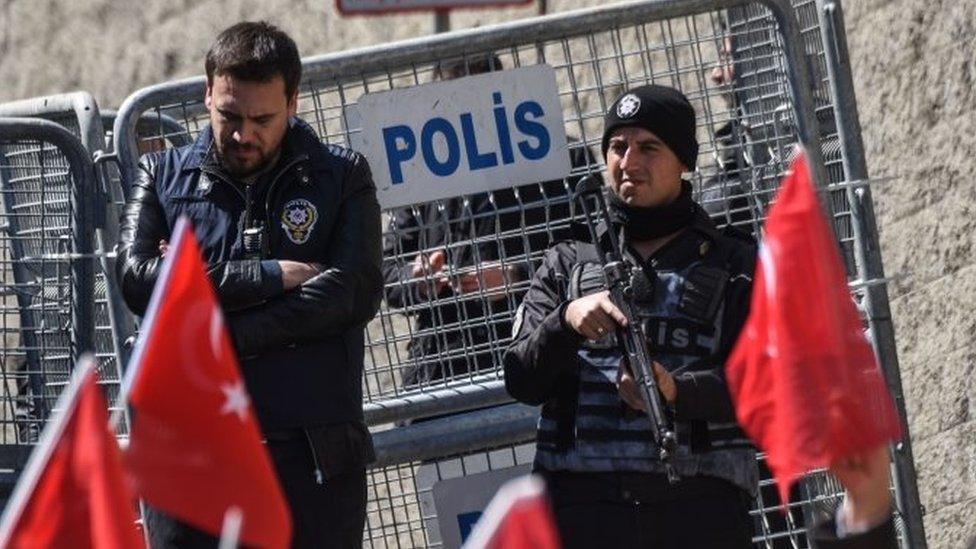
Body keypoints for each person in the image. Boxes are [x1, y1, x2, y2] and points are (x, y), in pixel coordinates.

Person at [117, 21, 382, 548]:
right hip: (188, 465)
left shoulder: (342, 177)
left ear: (294, 104)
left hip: (310, 459)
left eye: (262, 119)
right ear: (206, 94)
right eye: (229, 116)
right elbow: (138, 278)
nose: (243, 135)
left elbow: (350, 293)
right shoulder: (161, 175)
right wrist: (267, 277)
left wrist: (215, 332)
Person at [504, 84, 759, 548]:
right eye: (618, 147)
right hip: (583, 512)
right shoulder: (568, 261)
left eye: (649, 148)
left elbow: (768, 388)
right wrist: (566, 322)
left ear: (684, 160)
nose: (629, 162)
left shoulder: (735, 264)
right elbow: (521, 378)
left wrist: (676, 390)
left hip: (699, 512)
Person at [383, 55, 592, 389]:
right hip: (442, 359)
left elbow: (594, 254)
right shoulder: (421, 171)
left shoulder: (561, 159)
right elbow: (388, 270)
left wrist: (517, 275)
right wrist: (418, 279)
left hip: (537, 348)